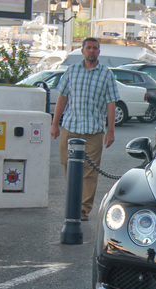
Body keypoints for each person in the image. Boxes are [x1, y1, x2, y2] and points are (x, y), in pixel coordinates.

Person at [51, 37, 120, 222]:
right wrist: (55, 123)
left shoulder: (106, 74)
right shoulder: (71, 71)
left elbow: (111, 103)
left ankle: (83, 208)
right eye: (88, 48)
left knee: (90, 170)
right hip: (71, 127)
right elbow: (62, 98)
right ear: (82, 50)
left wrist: (110, 131)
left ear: (99, 52)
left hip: (94, 130)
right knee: (67, 163)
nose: (91, 51)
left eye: (95, 48)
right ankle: (73, 202)